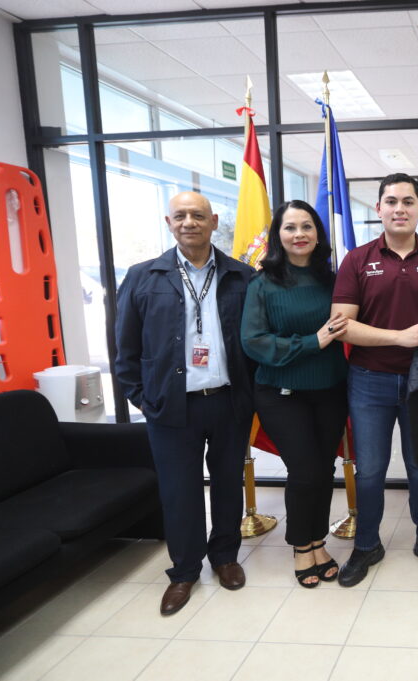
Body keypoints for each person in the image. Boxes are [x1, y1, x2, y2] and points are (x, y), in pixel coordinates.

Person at [115, 191, 255, 615]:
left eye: (198, 215)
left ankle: (226, 557)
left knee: (229, 483)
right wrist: (144, 399)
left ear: (214, 222)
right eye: (181, 216)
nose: (189, 222)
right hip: (171, 406)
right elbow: (125, 349)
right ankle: (184, 571)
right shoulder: (143, 277)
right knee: (180, 492)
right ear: (168, 222)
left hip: (229, 400)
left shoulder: (242, 277)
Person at [330, 172, 418, 587]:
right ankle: (367, 544)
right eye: (391, 201)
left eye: (408, 201)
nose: (399, 208)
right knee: (370, 470)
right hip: (369, 381)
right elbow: (341, 327)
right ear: (379, 210)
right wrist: (399, 337)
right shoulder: (357, 260)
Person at [240, 200, 348, 588]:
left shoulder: (334, 281)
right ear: (278, 236)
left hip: (331, 390)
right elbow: (253, 342)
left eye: (307, 226)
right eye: (290, 227)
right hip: (281, 393)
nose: (299, 234)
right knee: (303, 471)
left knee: (323, 469)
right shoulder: (262, 283)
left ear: (318, 233)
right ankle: (302, 546)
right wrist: (312, 342)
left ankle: (318, 540)